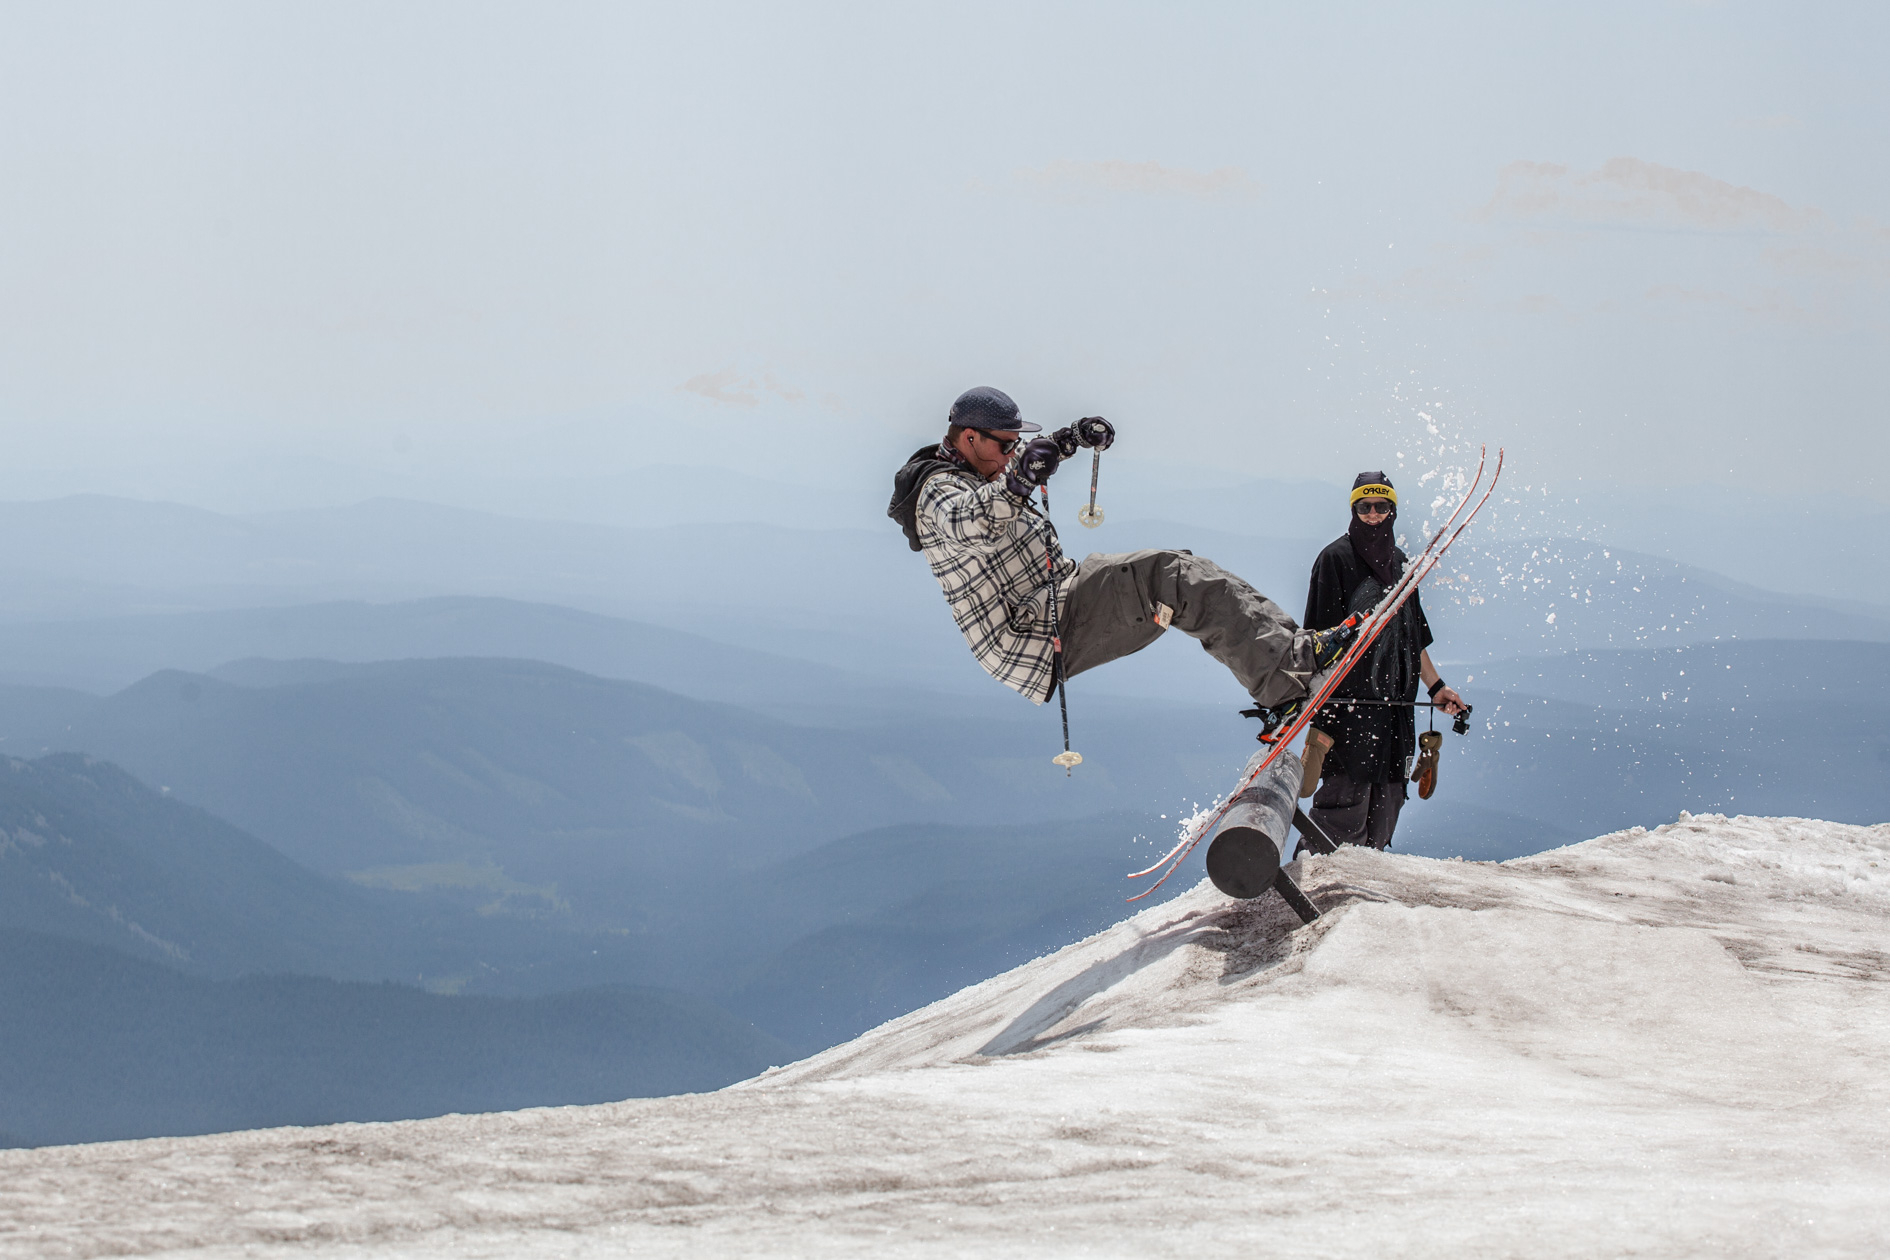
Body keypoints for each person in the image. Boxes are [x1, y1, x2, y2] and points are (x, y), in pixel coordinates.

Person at [888, 386, 1358, 733]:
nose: (1012, 455)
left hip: (1057, 599)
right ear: (968, 437)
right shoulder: (937, 491)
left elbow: (1024, 467)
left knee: (1186, 570)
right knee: (1168, 577)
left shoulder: (976, 468)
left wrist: (1069, 438)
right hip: (1036, 629)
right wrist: (1019, 480)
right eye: (1005, 445)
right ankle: (1287, 676)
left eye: (1016, 446)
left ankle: (1293, 654)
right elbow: (972, 525)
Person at [1301, 472, 1469, 850]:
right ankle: (1313, 894)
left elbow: (1414, 639)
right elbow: (1316, 642)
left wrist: (1438, 688)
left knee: (1384, 819)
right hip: (1348, 716)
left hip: (1395, 717)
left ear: (1393, 510)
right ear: (1354, 510)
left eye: (1381, 507)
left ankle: (1359, 906)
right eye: (1365, 507)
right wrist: (1319, 711)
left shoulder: (1402, 565)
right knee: (1337, 825)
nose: (1373, 515)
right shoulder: (1334, 560)